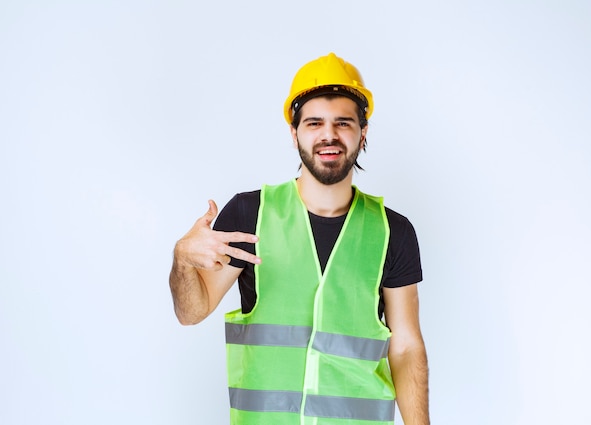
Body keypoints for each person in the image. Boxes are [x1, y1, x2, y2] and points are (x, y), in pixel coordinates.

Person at [169, 52, 430, 425]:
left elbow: (405, 346)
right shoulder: (250, 215)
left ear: (363, 132)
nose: (329, 135)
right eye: (314, 123)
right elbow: (190, 312)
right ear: (295, 134)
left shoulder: (393, 232)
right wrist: (182, 258)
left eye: (343, 122)